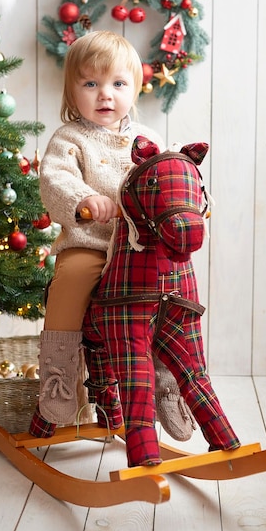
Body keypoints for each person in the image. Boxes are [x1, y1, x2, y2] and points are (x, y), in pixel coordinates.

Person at [29, 30, 175, 437]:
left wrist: (192, 203)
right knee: (70, 282)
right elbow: (54, 181)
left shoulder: (149, 141)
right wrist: (85, 200)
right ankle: (59, 379)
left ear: (135, 88)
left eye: (117, 83)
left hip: (141, 248)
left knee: (172, 289)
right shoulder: (69, 139)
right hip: (90, 244)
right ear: (72, 92)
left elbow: (170, 178)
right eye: (90, 83)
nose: (104, 94)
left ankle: (168, 376)